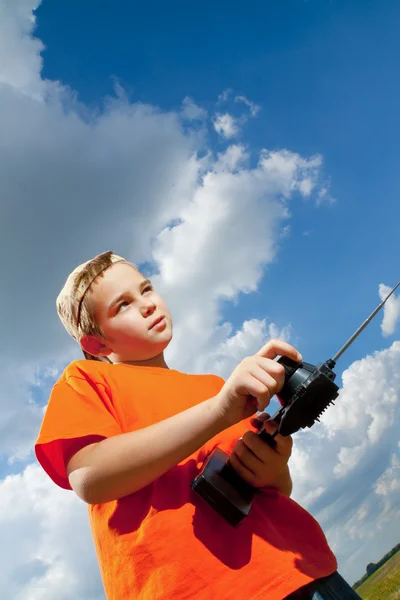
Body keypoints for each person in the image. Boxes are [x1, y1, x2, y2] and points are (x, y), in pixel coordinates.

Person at [35, 251, 360, 600]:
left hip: (303, 570)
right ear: (96, 343)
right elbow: (88, 477)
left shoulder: (214, 386)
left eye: (146, 289)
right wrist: (219, 411)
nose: (146, 304)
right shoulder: (87, 378)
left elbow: (277, 489)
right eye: (123, 305)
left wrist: (273, 469)